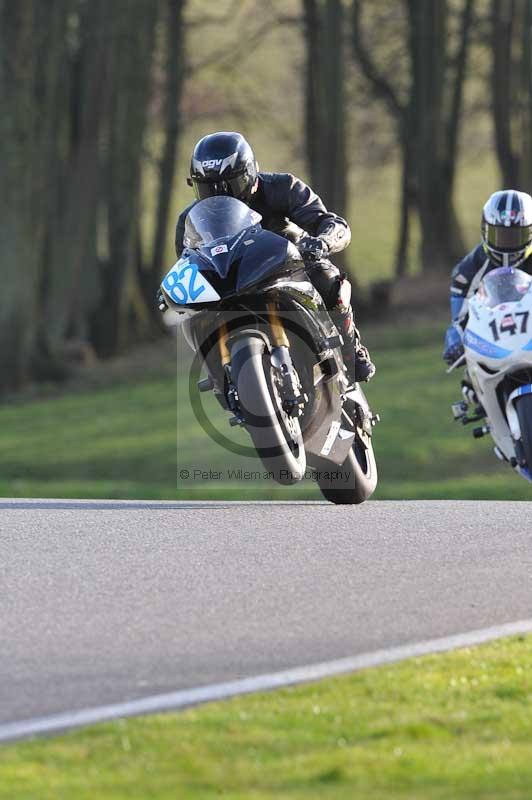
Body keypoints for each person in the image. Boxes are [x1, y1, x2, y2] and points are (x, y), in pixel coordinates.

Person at [171, 131, 375, 384]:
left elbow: (331, 222)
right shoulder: (188, 221)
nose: (219, 195)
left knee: (327, 277)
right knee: (194, 317)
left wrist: (322, 241)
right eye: (207, 188)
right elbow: (188, 262)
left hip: (289, 267)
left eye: (228, 186)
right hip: (231, 283)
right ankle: (220, 374)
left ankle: (351, 350)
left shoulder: (283, 187)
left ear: (249, 174)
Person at [443, 189, 532, 368]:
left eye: (516, 236)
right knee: (470, 387)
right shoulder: (468, 269)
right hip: (490, 346)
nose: (507, 244)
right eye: (499, 235)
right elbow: (460, 319)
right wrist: (456, 342)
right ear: (485, 231)